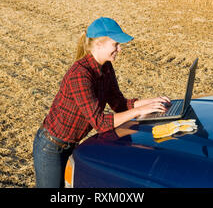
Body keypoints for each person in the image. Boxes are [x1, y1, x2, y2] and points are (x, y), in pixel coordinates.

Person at [33, 17, 171, 188]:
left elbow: (119, 104)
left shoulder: (106, 68)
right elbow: (99, 122)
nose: (119, 49)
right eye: (115, 44)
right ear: (99, 45)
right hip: (51, 147)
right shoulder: (80, 74)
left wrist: (150, 102)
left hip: (71, 145)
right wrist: (138, 111)